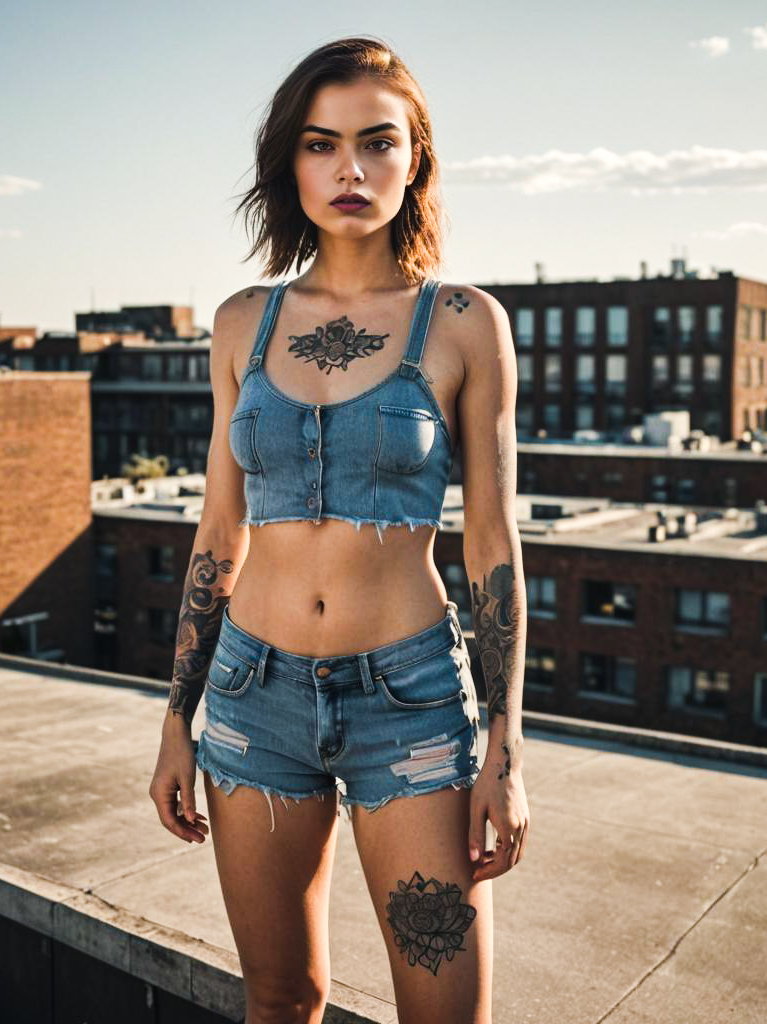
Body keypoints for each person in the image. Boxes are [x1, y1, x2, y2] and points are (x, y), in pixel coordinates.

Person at [149, 35, 529, 1024]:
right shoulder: (241, 322)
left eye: (377, 142)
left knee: (443, 1013)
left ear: (416, 159)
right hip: (249, 700)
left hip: (408, 706)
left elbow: (490, 545)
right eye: (321, 145)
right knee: (280, 996)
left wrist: (505, 749)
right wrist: (174, 721)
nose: (350, 169)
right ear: (292, 164)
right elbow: (216, 533)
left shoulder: (461, 322)